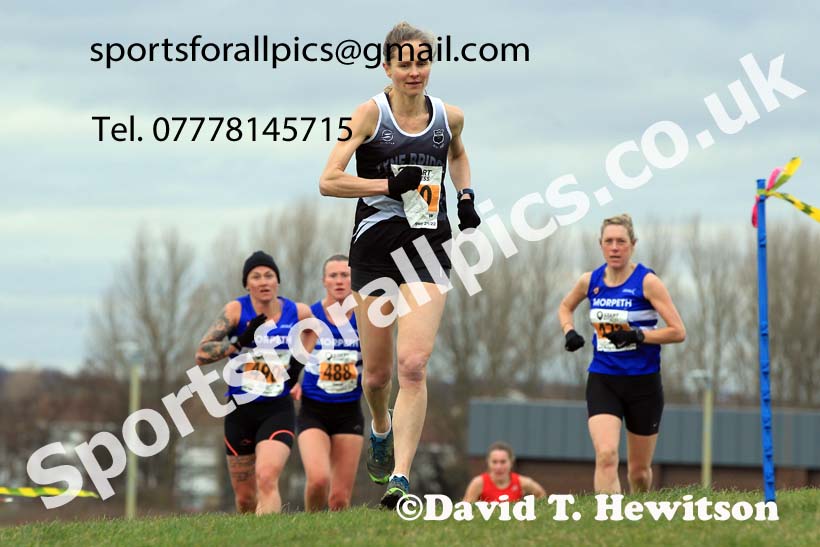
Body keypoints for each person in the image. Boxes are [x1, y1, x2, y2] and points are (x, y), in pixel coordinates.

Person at [319, 21, 481, 509]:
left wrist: (466, 193)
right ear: (387, 66)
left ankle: (401, 478)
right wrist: (389, 186)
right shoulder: (368, 115)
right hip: (374, 250)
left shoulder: (449, 117)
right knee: (376, 377)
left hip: (429, 246)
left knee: (413, 365)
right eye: (405, 62)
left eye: (422, 61)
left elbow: (458, 155)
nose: (415, 71)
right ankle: (381, 426)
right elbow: (328, 180)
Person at [557, 214, 685, 494]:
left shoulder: (648, 282)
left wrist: (639, 335)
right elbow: (565, 307)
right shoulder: (589, 281)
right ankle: (609, 523)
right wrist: (569, 332)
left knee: (639, 472)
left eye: (621, 242)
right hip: (604, 379)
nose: (615, 247)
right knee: (606, 456)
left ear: (633, 245)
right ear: (600, 245)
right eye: (609, 242)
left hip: (643, 384)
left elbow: (678, 331)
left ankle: (636, 514)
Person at [195, 250, 316, 515]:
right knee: (245, 500)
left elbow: (313, 331)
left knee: (266, 478)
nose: (263, 281)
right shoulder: (236, 310)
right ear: (247, 284)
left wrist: (298, 364)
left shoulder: (297, 311)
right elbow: (202, 354)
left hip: (277, 409)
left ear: (277, 281)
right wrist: (238, 341)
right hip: (240, 412)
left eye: (269, 275)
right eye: (256, 276)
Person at [297, 254, 364, 511]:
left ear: (353, 278)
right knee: (318, 480)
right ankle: (310, 532)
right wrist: (291, 381)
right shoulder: (310, 316)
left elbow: (376, 362)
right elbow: (293, 355)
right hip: (314, 410)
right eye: (333, 275)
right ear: (324, 280)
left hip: (349, 412)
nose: (339, 281)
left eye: (345, 275)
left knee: (339, 499)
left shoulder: (365, 317)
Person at [463, 442, 546, 502]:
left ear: (511, 462)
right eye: (494, 462)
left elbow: (541, 494)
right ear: (488, 462)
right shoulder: (478, 483)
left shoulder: (522, 482)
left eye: (503, 462)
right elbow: (466, 511)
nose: (498, 467)